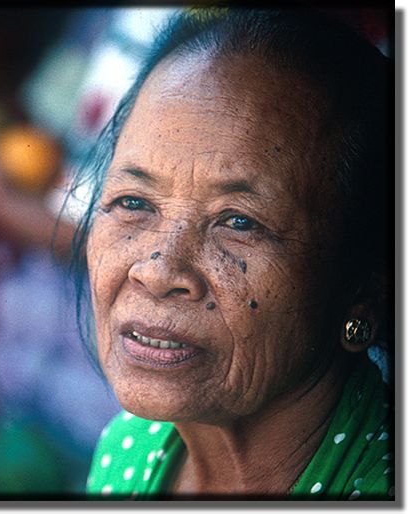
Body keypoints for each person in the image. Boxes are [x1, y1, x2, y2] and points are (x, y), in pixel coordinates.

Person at [71, 7, 393, 499]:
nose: (158, 272)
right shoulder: (132, 445)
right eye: (132, 202)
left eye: (238, 221)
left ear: (365, 288)